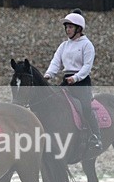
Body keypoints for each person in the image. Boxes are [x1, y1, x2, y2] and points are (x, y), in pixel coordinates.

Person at [43, 9, 102, 150]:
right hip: (67, 80)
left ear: (78, 29)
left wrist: (76, 78)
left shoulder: (87, 45)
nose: (67, 30)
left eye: (70, 27)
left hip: (81, 82)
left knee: (86, 107)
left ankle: (96, 136)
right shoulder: (64, 46)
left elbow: (87, 66)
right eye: (66, 27)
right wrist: (48, 74)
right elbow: (56, 62)